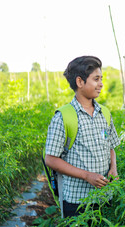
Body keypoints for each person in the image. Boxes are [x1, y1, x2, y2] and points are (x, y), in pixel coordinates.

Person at [45, 56, 120, 218]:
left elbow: (111, 146)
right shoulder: (64, 117)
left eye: (101, 78)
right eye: (96, 79)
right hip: (77, 201)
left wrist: (113, 168)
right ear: (80, 82)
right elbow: (51, 159)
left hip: (105, 198)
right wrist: (87, 175)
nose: (101, 84)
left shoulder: (104, 113)